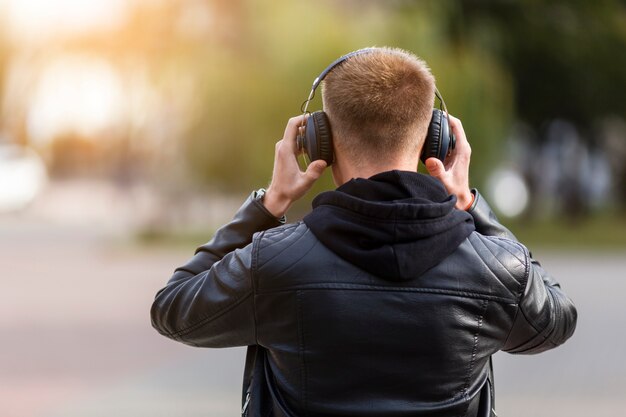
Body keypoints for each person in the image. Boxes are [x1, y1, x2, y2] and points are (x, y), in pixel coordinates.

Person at [151, 47, 577, 417]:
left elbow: (173, 309)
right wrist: (470, 203)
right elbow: (556, 319)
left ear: (320, 142)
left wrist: (267, 205)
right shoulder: (498, 269)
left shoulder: (272, 264)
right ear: (437, 140)